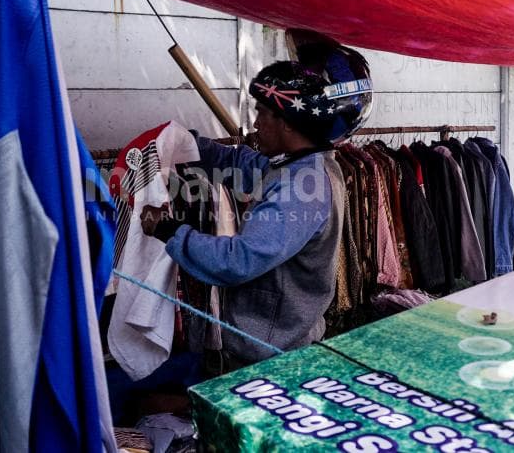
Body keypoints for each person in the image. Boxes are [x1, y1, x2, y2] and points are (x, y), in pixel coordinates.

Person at [140, 43, 372, 370]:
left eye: (262, 113)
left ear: (289, 122)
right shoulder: (293, 165)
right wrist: (183, 143)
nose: (255, 124)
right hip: (272, 343)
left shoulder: (302, 186)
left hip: (276, 357)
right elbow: (239, 162)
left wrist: (168, 230)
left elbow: (240, 260)